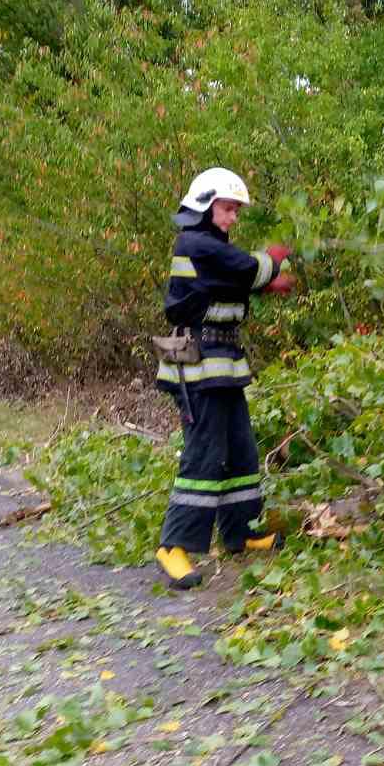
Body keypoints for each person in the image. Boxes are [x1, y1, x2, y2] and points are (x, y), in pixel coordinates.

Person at [153, 167, 295, 590]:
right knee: (204, 454)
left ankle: (241, 533)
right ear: (205, 204)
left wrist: (260, 284)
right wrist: (275, 258)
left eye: (236, 211)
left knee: (239, 448)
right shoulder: (195, 242)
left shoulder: (211, 248)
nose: (233, 217)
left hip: (224, 363)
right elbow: (249, 269)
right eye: (228, 208)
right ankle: (173, 545)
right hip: (199, 366)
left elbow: (232, 282)